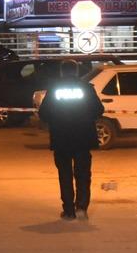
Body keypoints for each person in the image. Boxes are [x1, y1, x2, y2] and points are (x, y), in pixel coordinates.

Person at [37, 59, 104, 221]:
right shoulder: (86, 88)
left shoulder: (54, 89)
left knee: (65, 175)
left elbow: (43, 114)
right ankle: (81, 207)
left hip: (61, 138)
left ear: (62, 72)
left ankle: (68, 210)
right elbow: (99, 110)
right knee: (83, 174)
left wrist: (56, 120)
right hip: (83, 138)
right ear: (76, 71)